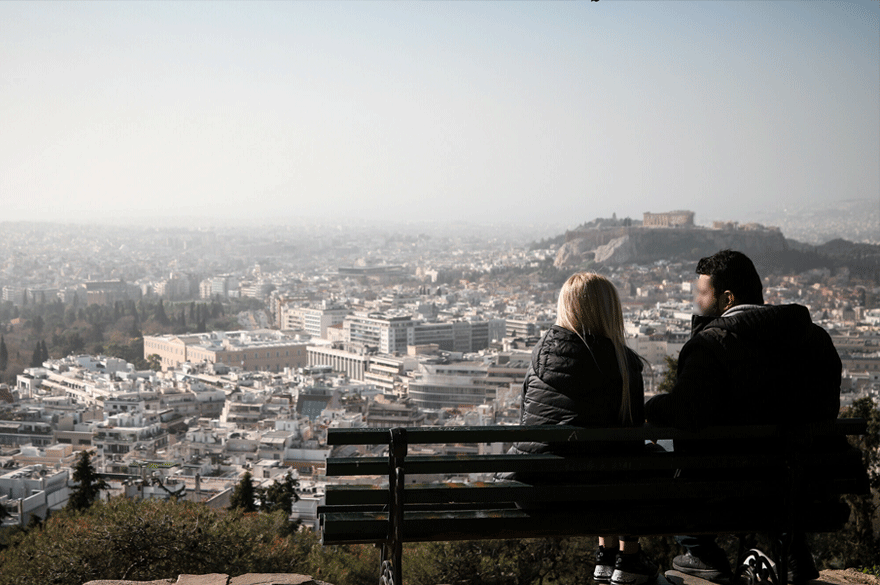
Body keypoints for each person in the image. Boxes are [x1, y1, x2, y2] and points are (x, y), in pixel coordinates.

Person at [645, 250, 841, 584]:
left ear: (727, 298)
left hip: (728, 486)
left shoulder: (712, 345)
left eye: (701, 293)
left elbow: (687, 413)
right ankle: (791, 551)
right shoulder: (814, 338)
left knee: (660, 445)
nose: (695, 299)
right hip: (806, 481)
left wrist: (651, 407)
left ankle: (701, 551)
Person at [511, 272, 658, 585]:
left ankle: (606, 555)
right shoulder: (623, 363)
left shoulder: (540, 356)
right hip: (599, 492)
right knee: (637, 458)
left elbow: (529, 421)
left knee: (595, 462)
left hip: (538, 492)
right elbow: (630, 443)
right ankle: (628, 556)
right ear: (610, 311)